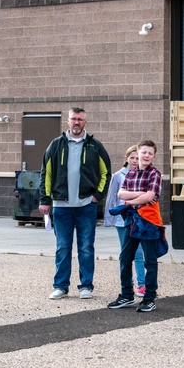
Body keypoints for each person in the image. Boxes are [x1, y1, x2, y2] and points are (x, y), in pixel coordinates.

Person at [38, 108, 111, 300]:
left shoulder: (95, 146)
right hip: (61, 206)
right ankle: (61, 286)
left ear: (85, 122)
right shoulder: (55, 145)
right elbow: (46, 174)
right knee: (63, 247)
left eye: (80, 119)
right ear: (67, 122)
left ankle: (86, 286)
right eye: (73, 119)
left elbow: (106, 173)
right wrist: (45, 200)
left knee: (86, 247)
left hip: (86, 205)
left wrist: (97, 196)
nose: (76, 122)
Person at [107, 140, 165, 313]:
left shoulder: (155, 174)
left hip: (149, 221)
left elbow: (150, 197)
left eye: (150, 153)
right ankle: (126, 295)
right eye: (144, 152)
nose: (146, 156)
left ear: (154, 156)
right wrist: (142, 195)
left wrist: (132, 199)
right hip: (132, 220)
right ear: (138, 153)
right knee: (125, 258)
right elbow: (120, 193)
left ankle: (149, 298)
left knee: (150, 260)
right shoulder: (130, 173)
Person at [105, 145, 146, 298]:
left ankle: (142, 285)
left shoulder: (143, 174)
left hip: (139, 218)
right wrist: (109, 218)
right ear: (127, 158)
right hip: (122, 220)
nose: (135, 161)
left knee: (139, 252)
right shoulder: (118, 176)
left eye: (137, 158)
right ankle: (127, 285)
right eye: (132, 158)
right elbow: (112, 198)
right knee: (126, 253)